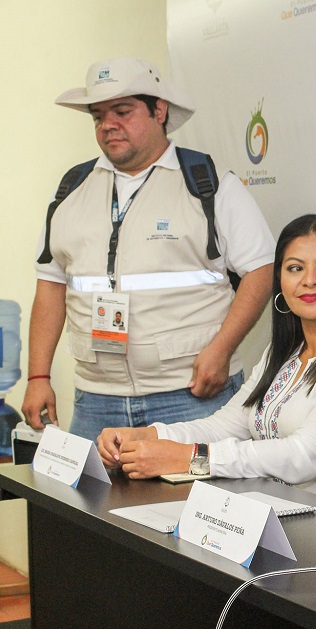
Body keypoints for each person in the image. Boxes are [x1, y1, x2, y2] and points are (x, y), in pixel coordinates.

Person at [22, 57, 275, 441]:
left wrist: (222, 350)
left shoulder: (208, 184)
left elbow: (261, 269)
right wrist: (38, 376)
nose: (108, 125)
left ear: (160, 111)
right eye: (98, 116)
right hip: (96, 400)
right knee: (89, 486)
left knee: (198, 485)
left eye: (122, 112)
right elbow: (51, 284)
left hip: (192, 395)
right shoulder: (72, 188)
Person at [97, 214, 316, 516]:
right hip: (290, 519)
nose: (309, 280)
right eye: (295, 268)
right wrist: (148, 436)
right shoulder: (286, 352)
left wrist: (192, 458)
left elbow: (306, 456)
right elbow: (223, 427)